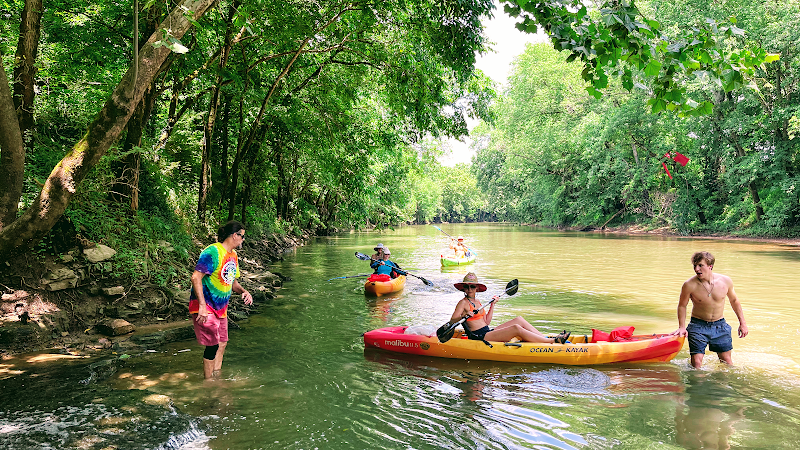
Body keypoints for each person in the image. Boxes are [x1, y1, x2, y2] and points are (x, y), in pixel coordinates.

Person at [189, 220, 253, 379]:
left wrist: (244, 291)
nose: (243, 240)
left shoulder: (234, 256)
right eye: (242, 236)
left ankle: (216, 375)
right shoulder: (212, 252)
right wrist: (202, 306)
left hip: (221, 309)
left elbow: (233, 283)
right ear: (234, 235)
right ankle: (208, 382)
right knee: (213, 344)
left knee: (222, 342)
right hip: (205, 306)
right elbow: (196, 277)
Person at [673, 251, 748, 368]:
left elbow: (734, 301)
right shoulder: (689, 285)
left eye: (700, 265)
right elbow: (682, 305)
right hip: (698, 326)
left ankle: (723, 385)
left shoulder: (725, 281)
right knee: (697, 364)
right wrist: (681, 327)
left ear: (710, 266)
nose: (696, 269)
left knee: (727, 363)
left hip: (720, 326)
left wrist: (742, 323)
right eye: (695, 266)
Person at [446, 272, 570, 343]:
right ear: (463, 288)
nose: (469, 289)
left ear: (477, 288)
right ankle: (552, 342)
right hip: (479, 337)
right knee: (516, 328)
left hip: (487, 331)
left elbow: (486, 322)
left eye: (472, 287)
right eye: (467, 287)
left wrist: (492, 305)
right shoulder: (462, 303)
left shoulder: (478, 301)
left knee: (519, 320)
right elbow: (452, 321)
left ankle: (545, 338)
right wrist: (465, 316)